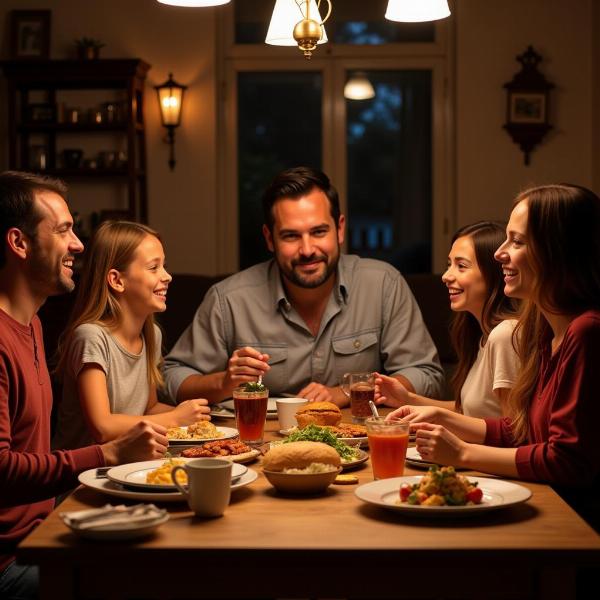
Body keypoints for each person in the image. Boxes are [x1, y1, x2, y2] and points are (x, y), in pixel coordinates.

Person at [388, 184, 600, 530]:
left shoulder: (587, 332)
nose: (500, 252)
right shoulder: (546, 331)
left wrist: (462, 454)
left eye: (516, 242)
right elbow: (524, 431)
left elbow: (568, 461)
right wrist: (443, 419)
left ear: (556, 251)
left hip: (576, 525)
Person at [0, 171, 168, 600]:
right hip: (11, 561)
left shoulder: (32, 325)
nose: (78, 244)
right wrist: (107, 453)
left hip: (48, 531)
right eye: (63, 230)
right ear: (19, 243)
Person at [163, 166, 444, 406]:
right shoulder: (228, 300)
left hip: (364, 445)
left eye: (319, 232)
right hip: (258, 448)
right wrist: (223, 383)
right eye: (291, 236)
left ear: (340, 228)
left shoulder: (384, 284)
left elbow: (425, 375)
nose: (308, 249)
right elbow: (171, 378)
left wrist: (348, 392)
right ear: (269, 238)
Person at [53, 221, 210, 450]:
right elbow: (102, 427)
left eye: (164, 266)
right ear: (117, 280)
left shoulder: (151, 335)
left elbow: (148, 410)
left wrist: (203, 419)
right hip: (80, 475)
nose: (167, 276)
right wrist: (176, 418)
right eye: (153, 267)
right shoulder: (90, 337)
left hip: (127, 465)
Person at [375, 221, 520, 417]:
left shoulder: (505, 335)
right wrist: (408, 399)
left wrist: (455, 444)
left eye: (461, 266)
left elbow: (511, 433)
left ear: (493, 273)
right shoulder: (482, 336)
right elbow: (471, 412)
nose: (446, 276)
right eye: (449, 265)